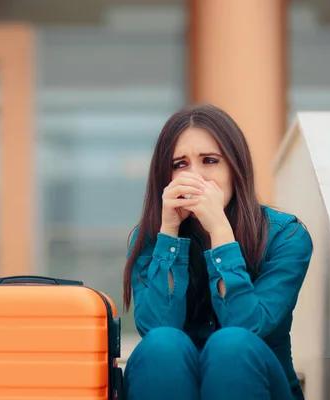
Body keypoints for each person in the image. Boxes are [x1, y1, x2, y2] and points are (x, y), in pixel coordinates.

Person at [122, 104, 313, 400]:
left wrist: (221, 234)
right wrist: (169, 233)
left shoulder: (285, 236)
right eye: (180, 164)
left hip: (256, 383)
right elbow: (155, 328)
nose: (195, 176)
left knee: (232, 345)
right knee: (162, 344)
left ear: (235, 169)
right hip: (172, 381)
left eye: (210, 161)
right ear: (165, 176)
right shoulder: (149, 239)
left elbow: (248, 327)